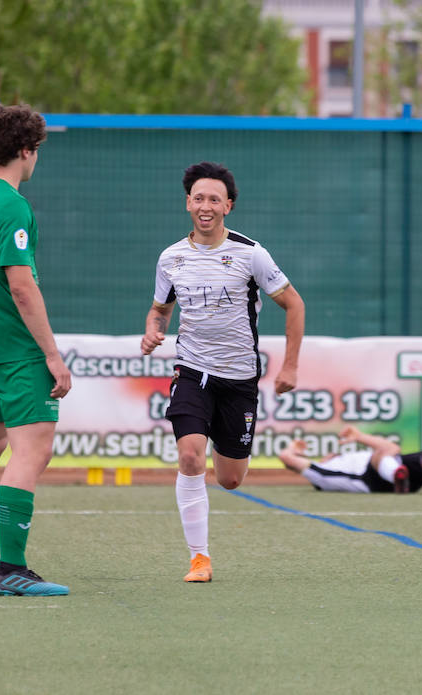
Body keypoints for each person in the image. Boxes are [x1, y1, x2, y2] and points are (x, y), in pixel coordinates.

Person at [141, 161, 306, 583]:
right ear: (188, 204)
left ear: (228, 206)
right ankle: (200, 559)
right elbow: (161, 309)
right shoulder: (171, 258)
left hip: (239, 380)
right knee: (190, 454)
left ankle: (224, 445)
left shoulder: (252, 254)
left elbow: (294, 304)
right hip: (192, 372)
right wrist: (152, 331)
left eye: (215, 199)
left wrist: (289, 365)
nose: (206, 206)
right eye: (199, 198)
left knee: (231, 478)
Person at [0, 104, 73, 597]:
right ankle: (11, 570)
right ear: (26, 149)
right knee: (33, 450)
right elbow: (21, 286)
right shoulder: (10, 203)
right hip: (15, 346)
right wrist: (52, 354)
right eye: (36, 150)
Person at [279, 426, 422, 494]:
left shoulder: (341, 459)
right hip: (372, 479)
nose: (330, 453)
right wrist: (293, 448)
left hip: (391, 465)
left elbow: (388, 448)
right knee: (385, 452)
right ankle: (397, 476)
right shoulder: (319, 472)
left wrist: (358, 436)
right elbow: (286, 458)